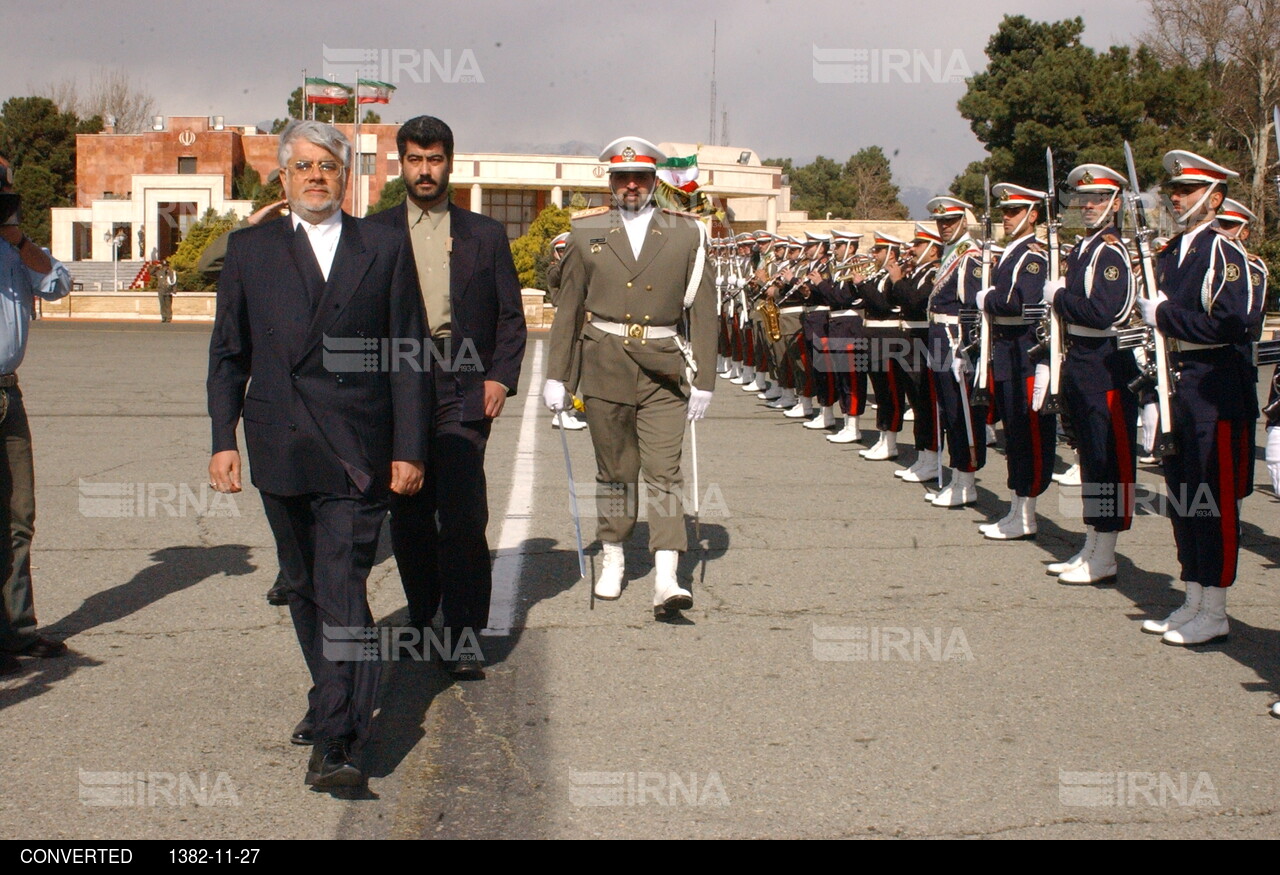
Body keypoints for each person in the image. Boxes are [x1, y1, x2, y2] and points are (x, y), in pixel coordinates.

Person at [207, 120, 428, 788]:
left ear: (346, 175)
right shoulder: (248, 251)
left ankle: (341, 736)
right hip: (279, 445)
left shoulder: (383, 247)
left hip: (356, 448)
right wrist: (223, 438)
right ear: (283, 177)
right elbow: (227, 354)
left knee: (342, 585)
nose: (315, 176)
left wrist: (410, 448)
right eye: (302, 166)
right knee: (302, 584)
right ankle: (329, 690)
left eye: (328, 165)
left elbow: (410, 356)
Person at [367, 115, 527, 677]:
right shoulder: (375, 233)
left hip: (462, 384)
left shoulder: (484, 235)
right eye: (415, 159)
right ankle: (423, 613)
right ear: (401, 164)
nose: (425, 170)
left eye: (435, 160)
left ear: (449, 163)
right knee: (408, 513)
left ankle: (461, 635)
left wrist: (498, 378)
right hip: (397, 383)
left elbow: (511, 318)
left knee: (461, 516)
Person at [543, 136, 716, 618]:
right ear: (611, 182)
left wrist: (704, 379)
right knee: (616, 472)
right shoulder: (586, 232)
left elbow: (705, 309)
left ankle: (666, 574)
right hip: (605, 362)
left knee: (664, 472)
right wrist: (559, 375)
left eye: (640, 177)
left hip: (664, 366)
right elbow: (570, 307)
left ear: (654, 181)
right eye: (623, 177)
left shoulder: (687, 233)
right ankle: (614, 555)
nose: (632, 185)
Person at [1136, 150, 1255, 646]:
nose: (1177, 197)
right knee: (1186, 498)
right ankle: (1193, 593)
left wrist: (1164, 318)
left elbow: (1235, 323)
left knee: (1215, 500)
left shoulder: (1224, 254)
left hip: (1216, 388)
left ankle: (1217, 606)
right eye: (1174, 190)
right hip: (1180, 385)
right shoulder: (1170, 253)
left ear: (1214, 197)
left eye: (1186, 190)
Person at [1044, 164, 1138, 583]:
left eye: (1098, 198)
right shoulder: (1085, 248)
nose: (1088, 205)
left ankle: (1106, 552)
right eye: (1084, 198)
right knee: (1089, 458)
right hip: (1081, 359)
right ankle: (1092, 544)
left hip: (1104, 363)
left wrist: (1060, 297)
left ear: (1116, 203)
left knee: (1107, 459)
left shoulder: (1111, 251)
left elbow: (1104, 312)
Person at [0, 156, 72, 677]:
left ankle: (16, 628)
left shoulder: (15, 246)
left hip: (7, 392)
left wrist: (18, 239)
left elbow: (59, 283)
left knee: (18, 515)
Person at [976, 184, 1055, 540]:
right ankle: (1016, 507)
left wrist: (988, 299)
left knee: (1029, 434)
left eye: (1014, 212)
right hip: (1007, 351)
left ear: (1032, 215)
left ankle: (1027, 513)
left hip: (1025, 352)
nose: (1006, 218)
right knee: (1014, 435)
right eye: (1005, 212)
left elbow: (1020, 303)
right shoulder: (1010, 252)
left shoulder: (1033, 255)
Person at [924, 196, 986, 507]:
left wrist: (966, 350)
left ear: (963, 220)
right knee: (948, 411)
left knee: (962, 413)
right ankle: (957, 476)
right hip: (939, 337)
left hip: (954, 340)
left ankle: (966, 479)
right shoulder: (951, 253)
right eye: (940, 221)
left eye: (949, 221)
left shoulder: (969, 256)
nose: (944, 226)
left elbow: (973, 308)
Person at [546, 230, 586, 431]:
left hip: (580, 320)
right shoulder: (555, 270)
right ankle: (559, 413)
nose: (564, 254)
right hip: (565, 320)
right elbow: (562, 274)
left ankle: (570, 408)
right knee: (566, 366)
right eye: (561, 250)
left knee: (579, 366)